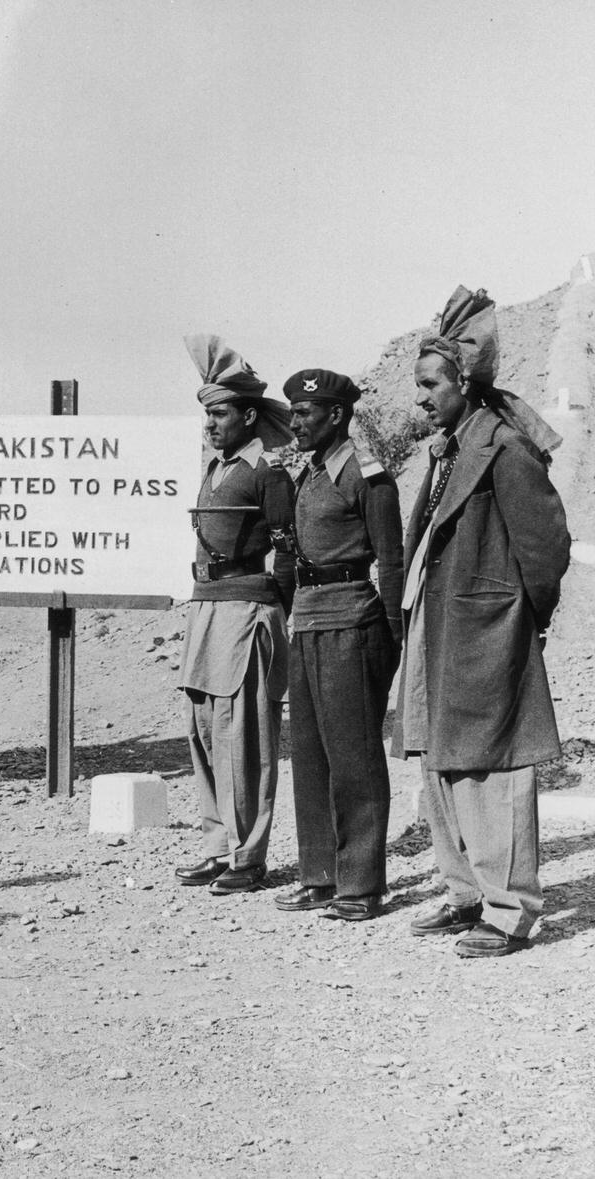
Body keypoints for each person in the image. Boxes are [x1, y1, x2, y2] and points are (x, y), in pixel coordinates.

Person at [393, 286, 569, 957]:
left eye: (430, 383)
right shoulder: (450, 446)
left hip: (488, 628)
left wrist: (521, 620)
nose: (420, 396)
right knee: (442, 758)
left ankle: (513, 908)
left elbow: (546, 548)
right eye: (417, 384)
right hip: (442, 626)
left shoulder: (502, 447)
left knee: (495, 766)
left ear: (465, 381)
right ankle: (465, 891)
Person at [275, 370, 402, 921]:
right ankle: (319, 876)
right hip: (310, 619)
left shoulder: (366, 475)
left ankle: (361, 886)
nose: (295, 422)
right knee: (310, 756)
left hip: (353, 621)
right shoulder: (309, 472)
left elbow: (390, 559)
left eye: (305, 413)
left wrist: (396, 635)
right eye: (293, 413)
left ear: (336, 415)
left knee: (354, 758)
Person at [176, 335, 296, 894]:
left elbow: (288, 547)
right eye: (207, 413)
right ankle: (218, 846)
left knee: (242, 734)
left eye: (220, 412)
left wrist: (276, 611)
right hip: (207, 610)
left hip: (246, 611)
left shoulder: (267, 472)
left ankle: (250, 856)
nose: (211, 423)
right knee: (203, 728)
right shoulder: (218, 468)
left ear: (249, 414)